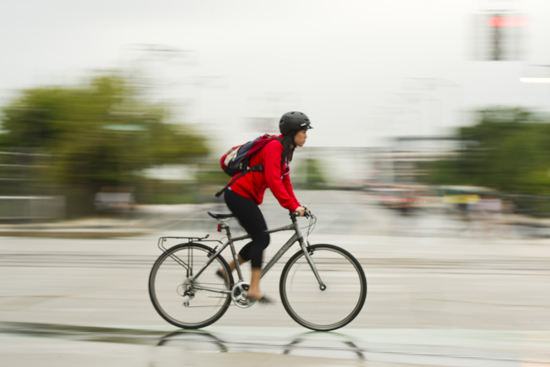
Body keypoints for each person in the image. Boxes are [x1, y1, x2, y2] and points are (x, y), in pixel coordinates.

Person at [217, 111, 312, 303]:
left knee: (261, 238)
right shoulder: (274, 148)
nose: (306, 136)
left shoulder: (284, 152)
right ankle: (253, 290)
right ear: (293, 132)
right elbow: (273, 181)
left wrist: (296, 205)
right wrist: (291, 206)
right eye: (303, 131)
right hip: (237, 194)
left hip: (244, 196)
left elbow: (285, 182)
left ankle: (227, 270)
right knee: (261, 238)